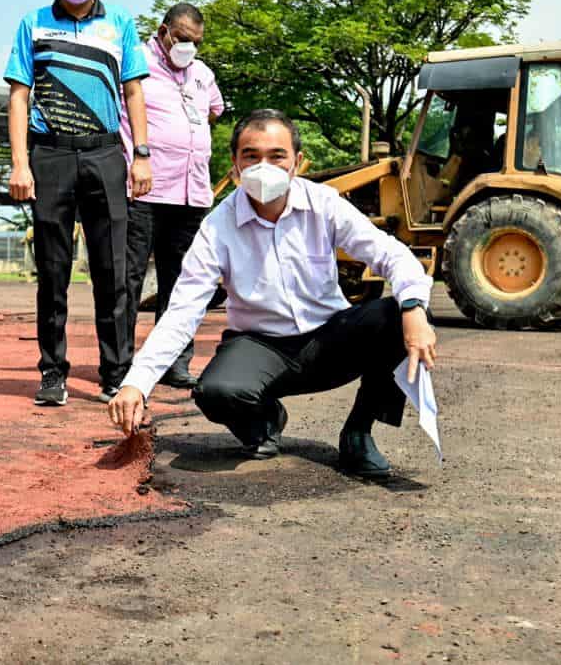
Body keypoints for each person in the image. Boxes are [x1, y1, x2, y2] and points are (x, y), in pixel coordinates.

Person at [108, 109, 439, 476]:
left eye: (276, 156)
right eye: (251, 156)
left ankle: (359, 432)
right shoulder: (217, 227)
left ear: (296, 162)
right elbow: (182, 311)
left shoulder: (323, 204)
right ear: (234, 167)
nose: (263, 166)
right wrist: (136, 384)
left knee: (395, 315)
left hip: (330, 340)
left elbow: (391, 253)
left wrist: (414, 309)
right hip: (260, 347)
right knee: (216, 391)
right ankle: (264, 420)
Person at [4, 0, 152, 407]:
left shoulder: (122, 24)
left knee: (113, 269)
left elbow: (133, 91)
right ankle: (52, 370)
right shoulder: (33, 23)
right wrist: (20, 163)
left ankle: (117, 371)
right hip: (50, 156)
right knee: (53, 270)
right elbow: (19, 95)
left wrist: (142, 154)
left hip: (106, 154)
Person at [121, 2, 224, 389]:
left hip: (191, 192)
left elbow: (214, 110)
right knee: (129, 278)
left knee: (181, 283)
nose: (188, 47)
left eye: (195, 41)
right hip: (146, 188)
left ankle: (175, 362)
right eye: (181, 38)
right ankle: (120, 363)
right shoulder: (135, 64)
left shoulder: (202, 73)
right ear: (164, 31)